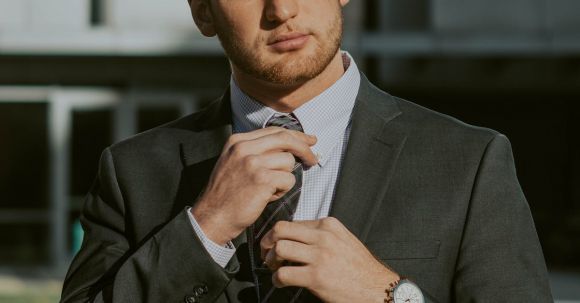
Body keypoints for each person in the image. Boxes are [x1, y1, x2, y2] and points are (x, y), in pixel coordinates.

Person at [60, 0, 553, 302]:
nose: (282, 10)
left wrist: (390, 297)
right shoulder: (132, 170)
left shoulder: (470, 162)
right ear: (202, 11)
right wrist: (204, 229)